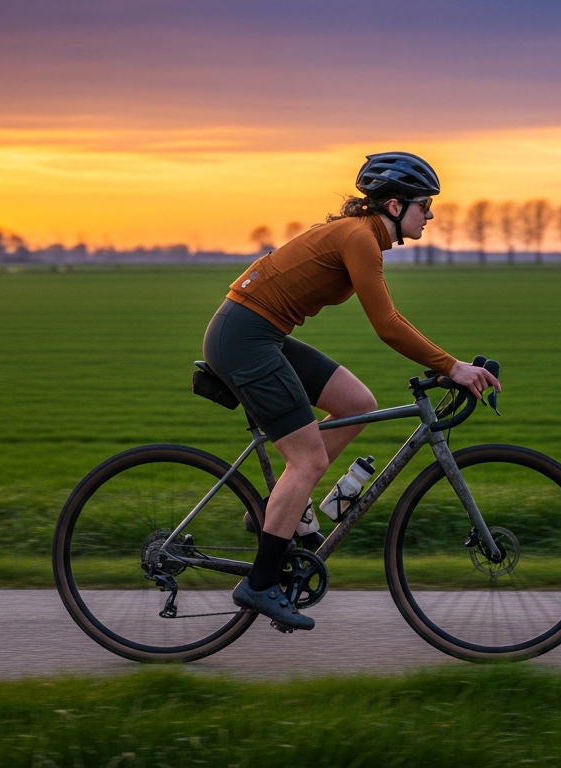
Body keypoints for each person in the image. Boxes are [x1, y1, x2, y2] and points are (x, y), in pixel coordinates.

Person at [202, 151, 501, 630]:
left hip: (260, 333)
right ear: (396, 206)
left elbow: (388, 323)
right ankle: (259, 584)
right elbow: (387, 323)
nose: (431, 215)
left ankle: (278, 509)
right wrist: (452, 366)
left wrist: (446, 367)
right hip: (244, 338)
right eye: (426, 205)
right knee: (309, 459)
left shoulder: (362, 236)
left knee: (357, 405)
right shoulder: (360, 237)